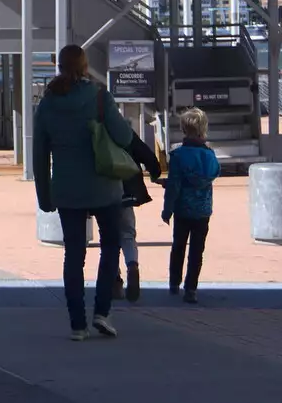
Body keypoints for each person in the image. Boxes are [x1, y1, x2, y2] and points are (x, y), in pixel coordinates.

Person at [34, 43, 135, 341]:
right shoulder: (100, 98)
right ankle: (102, 312)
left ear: (60, 66)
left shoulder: (48, 104)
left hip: (67, 189)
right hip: (104, 186)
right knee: (110, 246)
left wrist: (45, 196)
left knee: (73, 255)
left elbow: (40, 155)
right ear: (84, 66)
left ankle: (78, 324)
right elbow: (125, 136)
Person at [163, 107, 220, 304]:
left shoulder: (178, 156)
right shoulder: (210, 155)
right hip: (203, 210)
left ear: (183, 129)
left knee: (178, 246)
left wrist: (167, 209)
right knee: (197, 250)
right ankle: (191, 288)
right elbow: (213, 174)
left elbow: (175, 185)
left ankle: (174, 283)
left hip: (182, 209)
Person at [114, 122, 162, 302]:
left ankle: (114, 281)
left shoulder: (93, 130)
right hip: (127, 192)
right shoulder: (125, 131)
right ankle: (132, 266)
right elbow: (146, 155)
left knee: (109, 238)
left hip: (102, 194)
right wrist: (155, 173)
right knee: (128, 234)